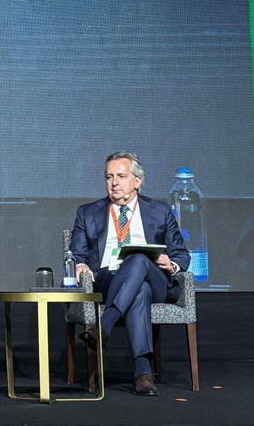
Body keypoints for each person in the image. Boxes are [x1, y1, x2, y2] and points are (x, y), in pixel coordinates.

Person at [69, 151, 190, 396]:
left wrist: (171, 264)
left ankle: (105, 324)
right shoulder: (88, 212)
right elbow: (77, 254)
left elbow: (182, 255)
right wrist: (79, 265)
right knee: (139, 289)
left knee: (138, 259)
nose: (114, 182)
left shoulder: (159, 211)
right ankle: (143, 373)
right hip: (108, 279)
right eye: (109, 177)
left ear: (137, 181)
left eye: (121, 176)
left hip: (156, 280)